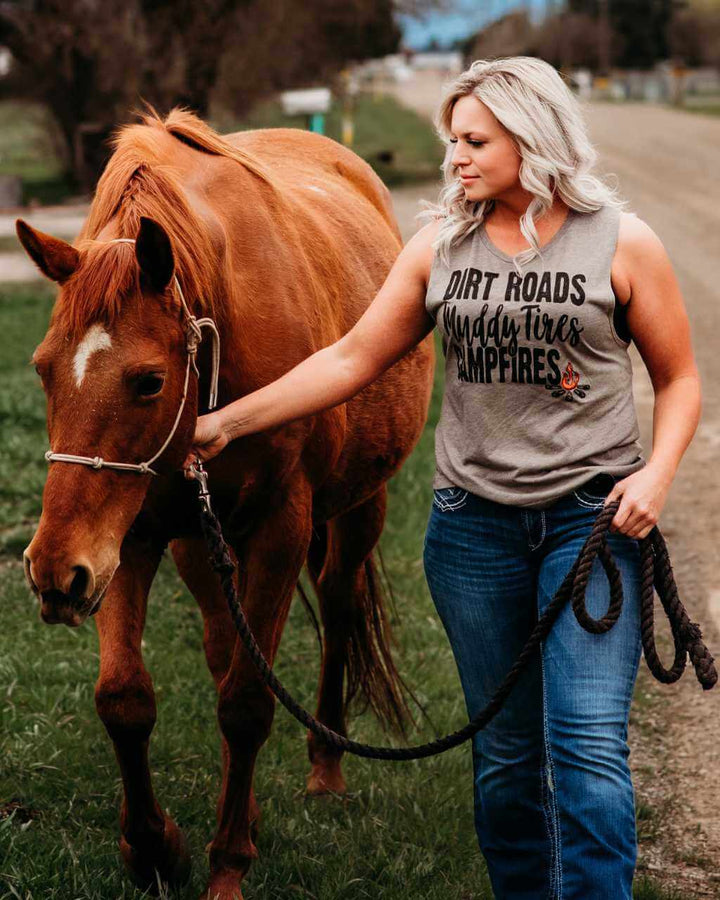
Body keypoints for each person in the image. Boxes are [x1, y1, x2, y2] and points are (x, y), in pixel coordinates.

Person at [184, 57, 701, 899]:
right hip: (474, 534)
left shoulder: (622, 241)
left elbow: (678, 379)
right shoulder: (439, 249)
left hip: (593, 526)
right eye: (450, 139)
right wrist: (225, 423)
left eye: (473, 139)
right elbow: (352, 356)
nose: (454, 156)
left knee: (588, 752)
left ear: (532, 136)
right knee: (504, 762)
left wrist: (656, 477)